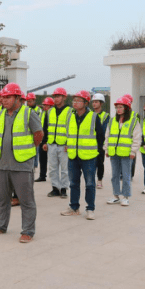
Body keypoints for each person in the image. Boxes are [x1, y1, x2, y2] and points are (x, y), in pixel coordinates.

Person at [0, 83, 43, 243]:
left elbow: (38, 134)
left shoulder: (28, 113)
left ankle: (28, 231)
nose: (4, 100)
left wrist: (28, 151)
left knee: (26, 200)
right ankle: (0, 226)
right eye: (3, 97)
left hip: (22, 165)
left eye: (8, 97)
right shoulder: (1, 114)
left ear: (18, 98)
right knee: (3, 198)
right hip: (3, 164)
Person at [60, 91, 104, 220]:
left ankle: (90, 209)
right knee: (73, 183)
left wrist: (98, 153)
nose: (75, 103)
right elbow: (68, 133)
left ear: (86, 103)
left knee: (90, 184)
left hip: (89, 156)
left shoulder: (94, 117)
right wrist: (68, 143)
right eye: (74, 100)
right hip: (73, 155)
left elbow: (100, 137)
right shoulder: (70, 116)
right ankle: (74, 207)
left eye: (78, 100)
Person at [104, 96, 141, 206]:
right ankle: (116, 196)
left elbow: (137, 138)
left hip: (127, 154)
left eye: (121, 107)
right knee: (114, 175)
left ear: (127, 108)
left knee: (126, 176)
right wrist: (106, 149)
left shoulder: (133, 121)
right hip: (114, 153)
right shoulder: (112, 121)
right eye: (117, 107)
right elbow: (107, 136)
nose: (118, 109)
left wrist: (133, 151)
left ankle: (125, 196)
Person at [42, 87, 72, 198]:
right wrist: (44, 142)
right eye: (55, 96)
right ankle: (55, 188)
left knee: (65, 169)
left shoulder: (70, 111)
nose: (56, 99)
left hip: (64, 144)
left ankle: (64, 189)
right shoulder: (50, 111)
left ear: (64, 97)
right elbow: (46, 128)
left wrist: (69, 143)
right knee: (53, 168)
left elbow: (72, 129)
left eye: (58, 96)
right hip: (51, 144)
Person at [91, 93, 110, 189]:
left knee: (99, 162)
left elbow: (105, 129)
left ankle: (99, 180)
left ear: (101, 103)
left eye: (96, 102)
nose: (94, 104)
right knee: (90, 162)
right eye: (93, 102)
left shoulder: (106, 116)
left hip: (100, 143)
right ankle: (91, 180)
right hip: (90, 143)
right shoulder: (90, 115)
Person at [35, 97, 54, 182]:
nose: (45, 107)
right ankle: (42, 176)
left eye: (47, 105)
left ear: (51, 106)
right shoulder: (42, 113)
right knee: (42, 159)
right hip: (42, 140)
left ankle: (54, 178)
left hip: (51, 140)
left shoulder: (52, 114)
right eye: (44, 105)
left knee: (53, 161)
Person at [27, 92, 41, 171]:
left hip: (36, 133)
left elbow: (40, 122)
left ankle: (34, 166)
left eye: (30, 101)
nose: (29, 103)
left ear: (34, 101)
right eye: (28, 101)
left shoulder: (38, 110)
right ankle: (31, 165)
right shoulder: (26, 110)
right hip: (28, 134)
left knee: (36, 151)